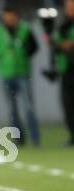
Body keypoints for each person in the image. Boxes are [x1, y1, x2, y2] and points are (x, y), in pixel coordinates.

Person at [0, 6, 40, 146]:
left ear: (16, 16)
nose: (9, 18)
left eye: (11, 15)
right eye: (7, 15)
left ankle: (35, 138)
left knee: (28, 107)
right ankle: (19, 140)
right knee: (12, 109)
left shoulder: (25, 29)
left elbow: (34, 47)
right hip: (6, 74)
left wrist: (23, 53)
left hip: (23, 73)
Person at [53, 0, 74, 146]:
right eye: (67, 5)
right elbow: (55, 44)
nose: (69, 8)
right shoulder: (63, 25)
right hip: (66, 70)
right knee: (68, 104)